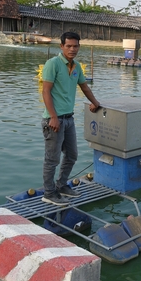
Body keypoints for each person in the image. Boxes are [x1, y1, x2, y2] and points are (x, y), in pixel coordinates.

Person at [41, 31, 100, 206]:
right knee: (52, 159)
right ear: (61, 46)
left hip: (69, 119)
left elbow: (84, 87)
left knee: (72, 155)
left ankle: (61, 185)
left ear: (79, 47)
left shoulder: (77, 67)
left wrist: (95, 103)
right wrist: (53, 116)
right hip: (54, 120)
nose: (72, 49)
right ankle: (49, 193)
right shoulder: (53, 64)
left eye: (75, 46)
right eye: (68, 46)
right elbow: (46, 91)